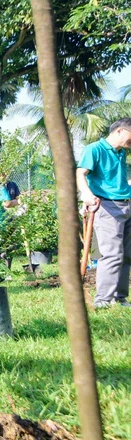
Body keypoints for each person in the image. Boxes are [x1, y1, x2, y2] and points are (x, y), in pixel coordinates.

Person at [77, 117, 131, 309]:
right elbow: (81, 173)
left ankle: (120, 297)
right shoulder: (95, 149)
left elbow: (116, 180)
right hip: (107, 207)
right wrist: (87, 195)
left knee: (126, 255)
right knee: (112, 254)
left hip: (126, 204)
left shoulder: (121, 152)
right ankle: (103, 300)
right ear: (120, 131)